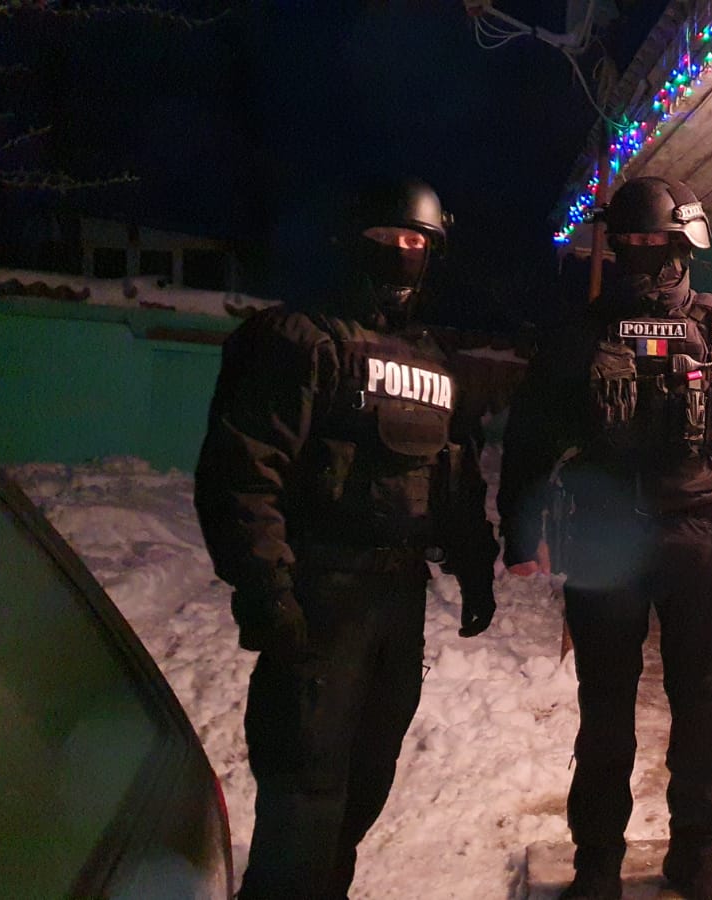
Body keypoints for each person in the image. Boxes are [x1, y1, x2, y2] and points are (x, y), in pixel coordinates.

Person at [194, 178, 499, 898]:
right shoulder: (300, 341)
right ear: (351, 245)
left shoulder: (435, 362)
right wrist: (268, 590)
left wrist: (475, 565)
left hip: (398, 603)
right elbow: (244, 475)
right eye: (384, 239)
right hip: (320, 597)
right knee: (304, 788)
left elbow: (454, 478)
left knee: (366, 780)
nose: (400, 253)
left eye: (414, 242)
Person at [499, 175, 712, 900]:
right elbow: (529, 438)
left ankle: (694, 853)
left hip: (695, 535)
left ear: (682, 245)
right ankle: (597, 861)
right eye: (629, 240)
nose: (641, 252)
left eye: (654, 240)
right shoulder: (579, 337)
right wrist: (521, 532)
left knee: (703, 701)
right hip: (603, 538)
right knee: (605, 708)